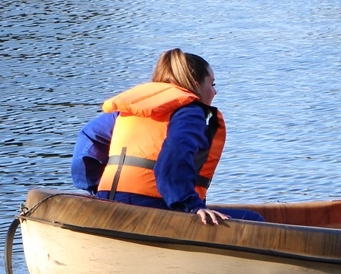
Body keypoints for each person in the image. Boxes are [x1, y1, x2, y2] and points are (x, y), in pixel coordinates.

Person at [71, 49, 263, 225]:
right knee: (254, 221)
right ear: (196, 84)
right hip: (151, 206)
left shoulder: (127, 111)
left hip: (108, 200)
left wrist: (97, 188)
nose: (215, 91)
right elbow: (174, 156)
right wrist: (191, 205)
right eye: (212, 84)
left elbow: (88, 138)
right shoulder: (189, 112)